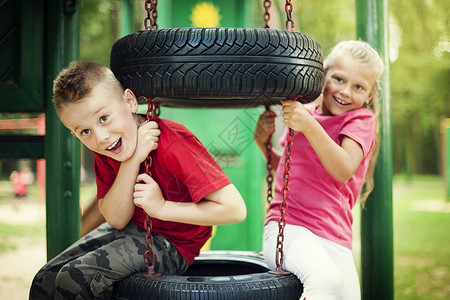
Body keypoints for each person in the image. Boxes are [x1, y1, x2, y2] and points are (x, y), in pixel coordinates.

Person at [30, 61, 246, 299]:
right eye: (85, 131)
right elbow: (116, 218)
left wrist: (162, 208)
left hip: (173, 245)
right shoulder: (106, 149)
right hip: (132, 229)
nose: (101, 137)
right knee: (45, 278)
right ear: (74, 133)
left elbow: (235, 209)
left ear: (130, 101)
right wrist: (131, 162)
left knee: (74, 278)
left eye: (103, 118)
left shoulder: (171, 144)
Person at [254, 40, 384, 300]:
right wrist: (263, 143)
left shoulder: (360, 121)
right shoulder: (303, 115)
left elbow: (343, 168)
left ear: (369, 95)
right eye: (338, 79)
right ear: (323, 76)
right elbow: (292, 170)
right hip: (287, 228)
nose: (345, 91)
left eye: (358, 87)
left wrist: (309, 125)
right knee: (326, 282)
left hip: (334, 236)